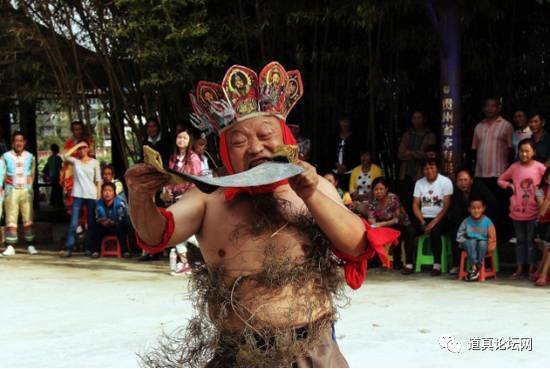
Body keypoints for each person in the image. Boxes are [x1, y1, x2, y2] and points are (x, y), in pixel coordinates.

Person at [126, 62, 399, 367]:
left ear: (284, 137)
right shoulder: (206, 199)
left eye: (265, 135)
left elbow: (358, 245)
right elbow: (155, 234)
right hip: (238, 353)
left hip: (311, 350)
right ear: (225, 150)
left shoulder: (315, 185)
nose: (255, 148)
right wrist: (139, 196)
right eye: (239, 142)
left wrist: (309, 193)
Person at [498, 139, 546, 279]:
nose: (524, 154)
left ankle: (531, 268)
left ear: (534, 152)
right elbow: (500, 179)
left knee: (530, 241)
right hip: (517, 210)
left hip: (534, 211)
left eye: (527, 151)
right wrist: (509, 186)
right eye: (522, 151)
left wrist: (542, 194)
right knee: (520, 241)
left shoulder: (539, 167)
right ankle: (519, 268)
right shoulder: (514, 167)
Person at [472, 97, 514, 242]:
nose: (490, 109)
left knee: (501, 205)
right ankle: (486, 235)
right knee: (485, 206)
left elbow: (510, 149)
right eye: (487, 106)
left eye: (493, 106)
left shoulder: (506, 125)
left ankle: (503, 236)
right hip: (481, 173)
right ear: (483, 108)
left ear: (498, 108)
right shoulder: (478, 127)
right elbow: (475, 149)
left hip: (500, 173)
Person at [160, 127, 202, 271]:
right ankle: (185, 262)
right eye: (179, 137)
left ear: (190, 141)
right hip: (174, 198)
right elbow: (170, 178)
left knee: (184, 231)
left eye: (184, 138)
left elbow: (197, 180)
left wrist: (187, 195)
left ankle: (205, 250)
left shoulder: (194, 158)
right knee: (176, 230)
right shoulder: (173, 158)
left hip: (188, 197)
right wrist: (167, 191)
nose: (181, 140)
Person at [358, 177, 415, 271]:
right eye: (376, 189)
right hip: (384, 224)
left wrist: (380, 224)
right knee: (369, 232)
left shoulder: (393, 199)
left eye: (381, 189)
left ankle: (398, 260)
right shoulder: (374, 201)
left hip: (400, 224)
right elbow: (371, 218)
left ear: (386, 189)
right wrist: (373, 224)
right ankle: (373, 259)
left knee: (396, 231)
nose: (378, 192)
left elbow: (397, 219)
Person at [448, 169, 498, 274]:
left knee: (483, 240)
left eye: (465, 180)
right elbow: (455, 213)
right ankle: (457, 264)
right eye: (460, 180)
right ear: (456, 182)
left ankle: (485, 265)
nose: (463, 183)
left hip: (482, 220)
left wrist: (481, 220)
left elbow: (492, 204)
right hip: (466, 222)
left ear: (471, 180)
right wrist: (467, 225)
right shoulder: (456, 193)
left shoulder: (479, 188)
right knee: (454, 230)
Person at [409, 159, 453, 276]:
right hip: (423, 217)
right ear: (423, 171)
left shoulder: (445, 182)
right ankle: (409, 264)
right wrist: (422, 221)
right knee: (410, 230)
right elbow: (415, 204)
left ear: (437, 169)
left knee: (435, 231)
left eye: (432, 168)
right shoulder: (419, 183)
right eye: (426, 169)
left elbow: (446, 206)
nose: (429, 171)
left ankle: (437, 265)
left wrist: (433, 222)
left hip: (440, 218)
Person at [61, 140, 101, 258]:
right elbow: (64, 156)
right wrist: (78, 145)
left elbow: (98, 180)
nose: (82, 150)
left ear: (88, 149)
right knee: (73, 223)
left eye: (85, 148)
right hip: (78, 194)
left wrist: (98, 196)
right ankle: (69, 248)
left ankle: (89, 248)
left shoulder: (94, 162)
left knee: (91, 223)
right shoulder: (76, 162)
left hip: (91, 194)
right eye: (80, 149)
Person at [0, 132, 37, 256]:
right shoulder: (5, 157)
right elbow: (2, 174)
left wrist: (29, 187)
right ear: (13, 142)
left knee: (28, 218)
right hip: (11, 191)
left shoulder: (30, 157)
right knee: (10, 218)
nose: (19, 143)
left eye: (21, 140)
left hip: (26, 191)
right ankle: (10, 246)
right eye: (16, 140)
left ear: (24, 142)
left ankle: (30, 244)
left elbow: (32, 174)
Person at [456, 198, 497, 281]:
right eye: (473, 208)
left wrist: (490, 247)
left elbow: (492, 236)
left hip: (483, 242)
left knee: (482, 243)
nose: (476, 210)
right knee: (471, 242)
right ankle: (476, 266)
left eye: (478, 208)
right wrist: (465, 241)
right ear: (469, 209)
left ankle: (475, 269)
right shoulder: (466, 221)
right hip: (469, 242)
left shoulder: (487, 221)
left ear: (483, 209)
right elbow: (459, 236)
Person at [95, 182, 131, 258]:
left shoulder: (119, 203)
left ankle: (125, 251)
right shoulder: (99, 203)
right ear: (102, 193)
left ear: (114, 193)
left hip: (118, 226)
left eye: (110, 191)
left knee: (121, 227)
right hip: (105, 226)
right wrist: (103, 221)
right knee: (97, 227)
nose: (107, 193)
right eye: (105, 190)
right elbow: (98, 217)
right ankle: (96, 251)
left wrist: (113, 222)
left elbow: (122, 218)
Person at [330, 116, 361, 192]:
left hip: (350, 172)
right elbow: (329, 153)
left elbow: (356, 155)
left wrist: (346, 166)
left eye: (346, 122)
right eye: (342, 121)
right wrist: (336, 164)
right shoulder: (334, 137)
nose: (344, 124)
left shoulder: (355, 138)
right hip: (335, 171)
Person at [533, 166, 550, 286]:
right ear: (546, 179)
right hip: (544, 224)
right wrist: (548, 197)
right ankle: (543, 274)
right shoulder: (540, 191)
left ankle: (540, 272)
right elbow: (542, 212)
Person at [43, 144, 63, 208]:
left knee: (54, 189)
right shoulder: (58, 158)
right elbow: (60, 168)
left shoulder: (49, 158)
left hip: (52, 176)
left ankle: (53, 202)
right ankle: (59, 203)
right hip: (57, 176)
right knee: (59, 190)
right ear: (57, 150)